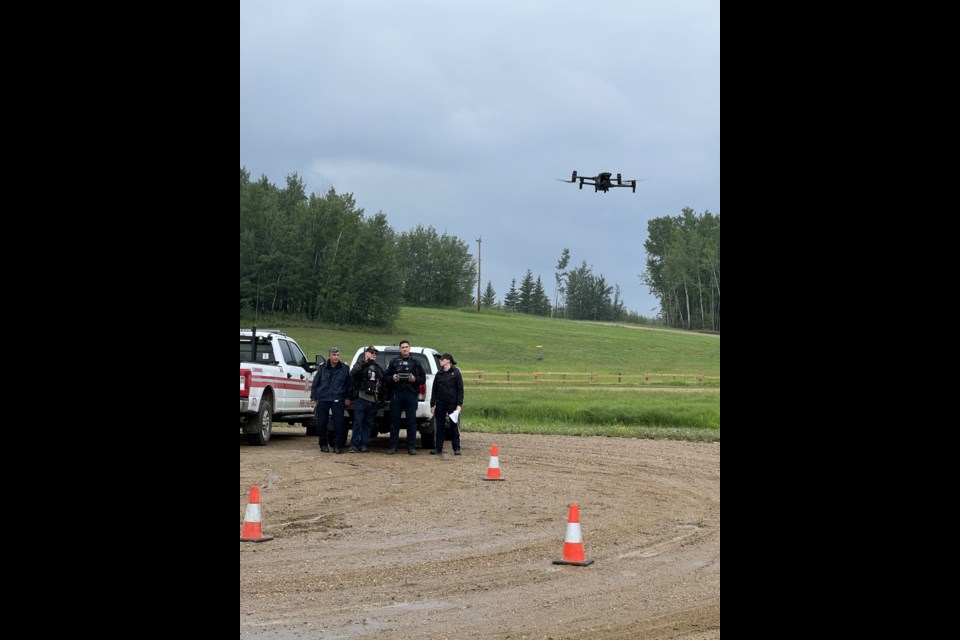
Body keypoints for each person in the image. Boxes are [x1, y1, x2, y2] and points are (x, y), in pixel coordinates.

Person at [384, 340, 425, 455]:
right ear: (400, 349)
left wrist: (415, 379)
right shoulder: (394, 362)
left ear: (409, 348)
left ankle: (411, 447)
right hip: (397, 394)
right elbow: (385, 378)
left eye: (406, 347)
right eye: (402, 347)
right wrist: (393, 378)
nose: (405, 349)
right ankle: (393, 447)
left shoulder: (416, 362)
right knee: (394, 421)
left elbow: (423, 379)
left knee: (411, 421)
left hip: (411, 394)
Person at [310, 347, 354, 453]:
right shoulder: (322, 368)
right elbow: (315, 384)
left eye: (338, 355)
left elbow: (349, 385)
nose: (336, 357)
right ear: (329, 356)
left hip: (338, 398)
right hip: (323, 398)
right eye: (334, 355)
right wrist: (313, 398)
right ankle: (323, 444)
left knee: (339, 423)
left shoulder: (344, 368)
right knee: (321, 423)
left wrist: (348, 397)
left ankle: (337, 445)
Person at [349, 346, 385, 453]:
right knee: (358, 423)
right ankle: (354, 445)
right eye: (372, 352)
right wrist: (366, 364)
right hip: (361, 398)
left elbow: (383, 382)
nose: (374, 354)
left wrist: (382, 397)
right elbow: (353, 373)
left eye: (375, 353)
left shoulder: (377, 367)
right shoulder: (360, 364)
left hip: (373, 400)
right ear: (366, 353)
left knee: (368, 424)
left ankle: (364, 445)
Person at [430, 353, 464, 455]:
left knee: (453, 426)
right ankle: (438, 448)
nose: (440, 361)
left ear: (448, 360)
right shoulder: (439, 374)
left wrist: (459, 404)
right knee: (439, 426)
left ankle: (456, 448)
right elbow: (434, 390)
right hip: (440, 403)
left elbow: (460, 390)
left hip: (452, 403)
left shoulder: (456, 372)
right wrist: (432, 404)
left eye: (442, 359)